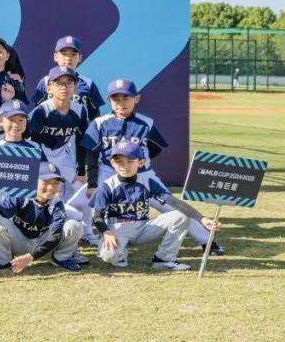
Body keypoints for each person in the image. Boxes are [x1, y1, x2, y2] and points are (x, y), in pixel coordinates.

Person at [82, 78, 220, 253]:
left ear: (136, 98)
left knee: (171, 206)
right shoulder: (100, 123)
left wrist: (140, 164)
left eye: (126, 98)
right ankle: (89, 236)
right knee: (91, 205)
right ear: (109, 100)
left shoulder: (146, 123)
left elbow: (155, 149)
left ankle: (206, 241)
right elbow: (91, 155)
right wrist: (93, 183)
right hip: (108, 172)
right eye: (116, 98)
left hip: (143, 174)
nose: (121, 103)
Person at [90, 140, 219, 271]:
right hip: (118, 228)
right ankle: (120, 253)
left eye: (130, 161)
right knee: (109, 256)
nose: (125, 166)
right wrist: (106, 232)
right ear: (112, 163)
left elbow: (174, 202)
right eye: (119, 162)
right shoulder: (107, 186)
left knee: (181, 216)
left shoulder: (147, 182)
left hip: (143, 227)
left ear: (141, 162)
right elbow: (97, 216)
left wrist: (201, 218)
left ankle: (164, 259)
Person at [0, 162, 83, 274]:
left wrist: (30, 257)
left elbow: (55, 236)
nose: (51, 188)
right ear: (34, 181)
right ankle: (3, 261)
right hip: (20, 243)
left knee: (75, 225)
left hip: (45, 246)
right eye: (46, 182)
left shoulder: (57, 203)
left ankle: (61, 259)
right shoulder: (21, 195)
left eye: (55, 183)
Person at [27, 67, 92, 232]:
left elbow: (82, 142)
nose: (64, 87)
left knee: (83, 190)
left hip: (64, 154)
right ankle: (43, 226)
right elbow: (32, 143)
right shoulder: (40, 111)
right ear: (49, 88)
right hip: (42, 155)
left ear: (75, 88)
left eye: (69, 83)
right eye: (59, 83)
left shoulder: (80, 110)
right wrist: (44, 169)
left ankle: (87, 231)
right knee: (45, 192)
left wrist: (81, 170)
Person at [29, 36, 105, 117]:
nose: (68, 58)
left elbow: (95, 116)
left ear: (80, 58)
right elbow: (37, 112)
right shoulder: (45, 82)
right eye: (64, 54)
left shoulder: (88, 84)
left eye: (73, 54)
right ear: (56, 57)